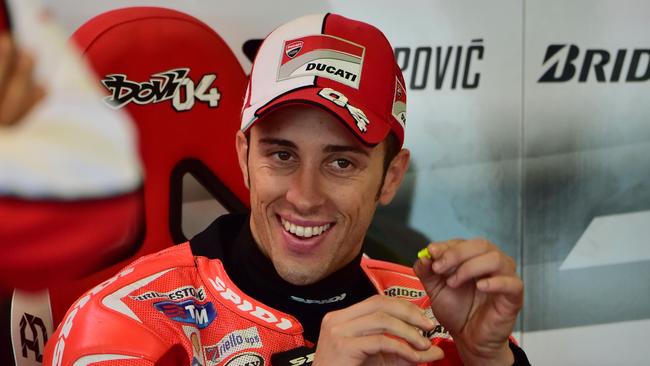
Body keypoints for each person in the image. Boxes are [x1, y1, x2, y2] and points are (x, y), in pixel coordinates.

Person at [44, 13, 529, 366]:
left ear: (391, 177)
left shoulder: (433, 316)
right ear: (244, 156)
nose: (304, 194)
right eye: (282, 155)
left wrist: (487, 359)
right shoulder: (127, 321)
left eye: (341, 162)